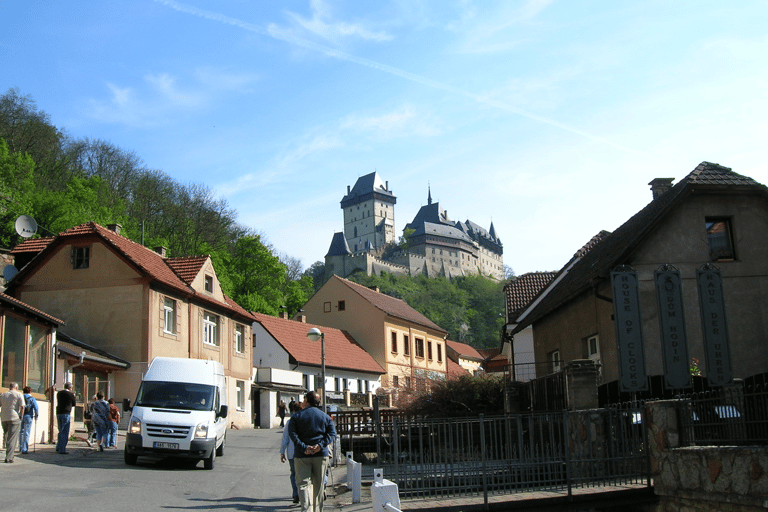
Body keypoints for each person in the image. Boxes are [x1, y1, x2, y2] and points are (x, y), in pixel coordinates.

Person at [288, 392, 336, 512]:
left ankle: (307, 509)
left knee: (304, 485)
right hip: (320, 454)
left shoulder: (296, 417)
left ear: (306, 401)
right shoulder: (325, 417)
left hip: (302, 455)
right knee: (318, 486)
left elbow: (293, 435)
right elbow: (332, 434)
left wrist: (304, 447)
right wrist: (320, 446)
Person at [0, 382, 26, 463]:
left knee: (7, 436)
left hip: (4, 417)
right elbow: (22, 406)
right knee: (12, 438)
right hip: (14, 417)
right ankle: (9, 457)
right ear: (16, 387)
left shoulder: (3, 395)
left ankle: (7, 451)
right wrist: (21, 416)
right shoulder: (18, 394)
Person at [280, 402, 300, 504]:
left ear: (293, 411)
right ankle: (303, 494)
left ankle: (296, 494)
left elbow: (285, 438)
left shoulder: (290, 422)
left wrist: (282, 452)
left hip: (292, 453)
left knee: (294, 474)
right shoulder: (305, 420)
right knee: (304, 474)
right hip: (304, 453)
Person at [56, 382, 77, 454]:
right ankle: (62, 449)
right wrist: (74, 396)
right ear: (70, 387)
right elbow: (74, 404)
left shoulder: (59, 393)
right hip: (66, 413)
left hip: (58, 412)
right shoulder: (70, 394)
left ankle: (58, 446)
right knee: (65, 431)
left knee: (60, 430)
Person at [20, 386, 39, 454]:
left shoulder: (21, 397)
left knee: (21, 431)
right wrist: (36, 416)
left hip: (21, 415)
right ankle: (25, 449)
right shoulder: (32, 398)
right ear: (30, 391)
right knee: (27, 432)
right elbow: (36, 408)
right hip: (29, 416)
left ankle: (20, 447)